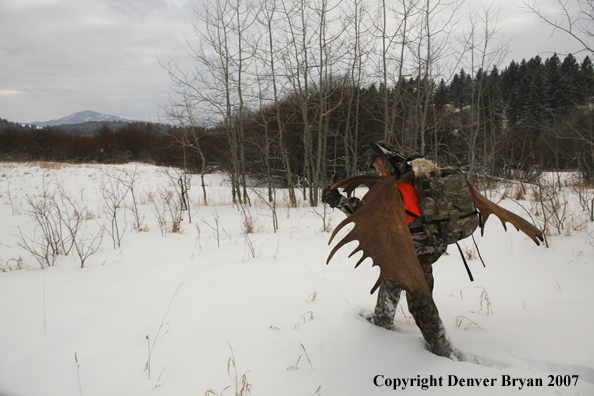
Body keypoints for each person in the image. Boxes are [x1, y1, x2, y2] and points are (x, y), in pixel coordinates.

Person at [322, 141, 456, 359]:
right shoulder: (412, 176)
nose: (374, 168)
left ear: (382, 159)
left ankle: (443, 349)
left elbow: (366, 213)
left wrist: (338, 201)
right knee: (392, 276)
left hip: (415, 248)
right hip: (430, 242)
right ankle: (383, 319)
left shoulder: (391, 184)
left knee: (419, 299)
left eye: (374, 163)